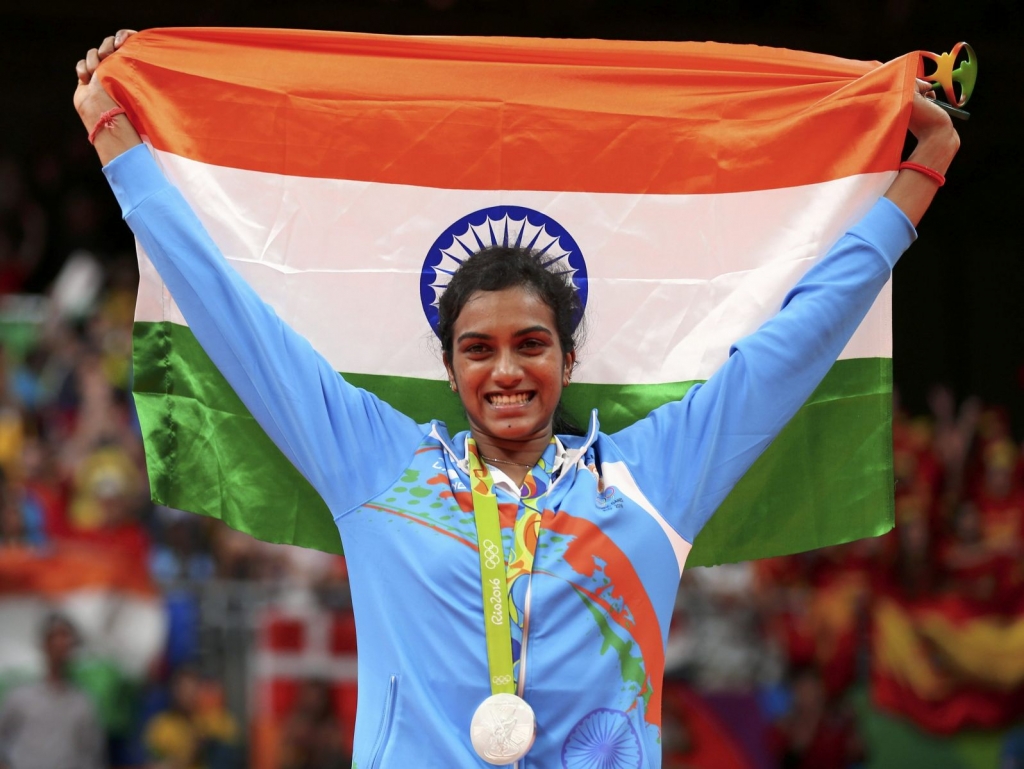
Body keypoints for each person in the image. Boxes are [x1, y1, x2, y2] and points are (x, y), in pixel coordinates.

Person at [74, 30, 959, 769]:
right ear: (452, 367)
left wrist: (921, 177)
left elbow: (796, 342)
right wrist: (120, 143)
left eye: (531, 345)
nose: (506, 371)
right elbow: (238, 323)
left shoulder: (652, 480)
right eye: (479, 349)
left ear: (568, 361)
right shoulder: (378, 463)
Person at [0, 613, 106, 769]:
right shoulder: (20, 697)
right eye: (55, 638)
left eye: (67, 639)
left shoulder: (83, 702)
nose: (62, 645)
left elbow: (93, 754)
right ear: (44, 645)